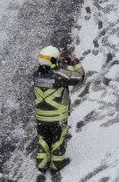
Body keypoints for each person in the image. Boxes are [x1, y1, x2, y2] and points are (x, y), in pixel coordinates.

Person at [33, 45, 85, 175]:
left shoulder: (36, 75)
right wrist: (74, 61)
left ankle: (42, 163)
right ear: (53, 61)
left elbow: (50, 73)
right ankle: (57, 164)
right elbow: (80, 77)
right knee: (58, 139)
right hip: (57, 117)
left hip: (41, 117)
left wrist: (57, 64)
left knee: (43, 138)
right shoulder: (61, 76)